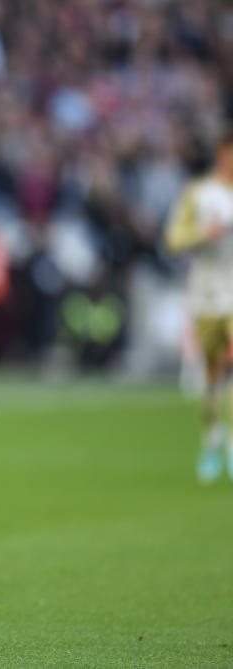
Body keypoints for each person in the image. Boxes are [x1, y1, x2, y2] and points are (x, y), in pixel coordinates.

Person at [165, 129, 233, 483]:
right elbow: (174, 238)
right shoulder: (199, 193)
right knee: (211, 374)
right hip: (207, 293)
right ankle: (211, 439)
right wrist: (203, 235)